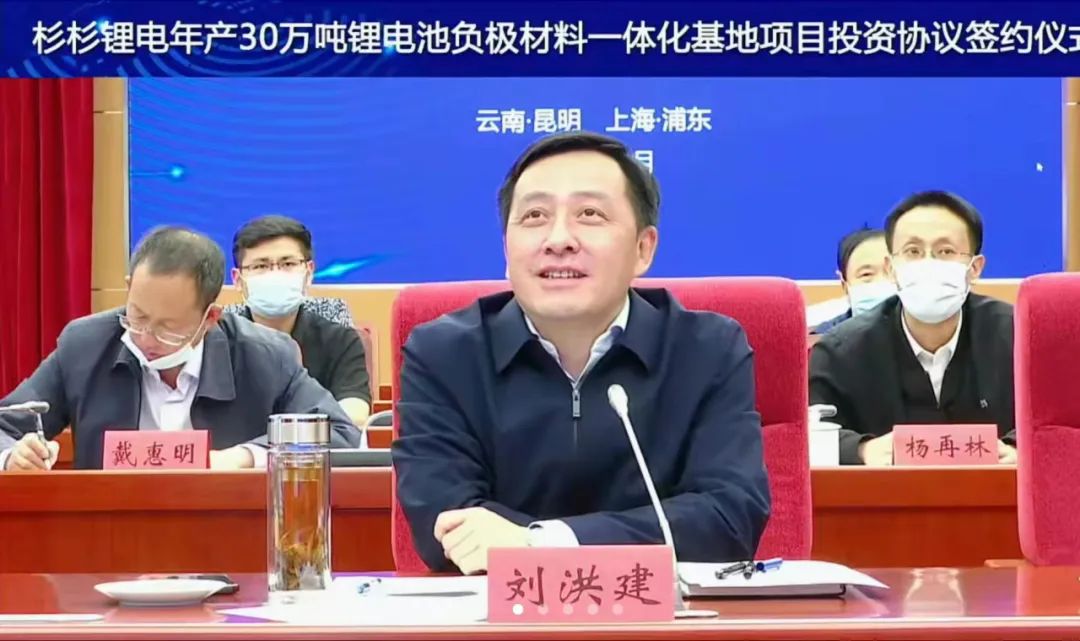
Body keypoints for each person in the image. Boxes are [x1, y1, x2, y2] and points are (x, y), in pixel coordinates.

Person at [392, 132, 770, 574]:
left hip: (668, 613)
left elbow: (730, 518)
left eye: (590, 214)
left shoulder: (706, 349)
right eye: (534, 216)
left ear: (643, 249)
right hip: (494, 613)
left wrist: (543, 542)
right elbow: (446, 526)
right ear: (506, 248)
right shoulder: (443, 354)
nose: (558, 240)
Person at [0, 227, 359, 470]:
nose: (146, 339)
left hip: (226, 537)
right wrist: (13, 455)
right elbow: (6, 425)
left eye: (168, 328)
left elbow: (342, 435)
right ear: (129, 287)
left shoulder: (264, 355)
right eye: (138, 316)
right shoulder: (85, 345)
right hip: (108, 539)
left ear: (210, 318)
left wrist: (244, 457)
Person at [809, 191, 1016, 466]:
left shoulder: (1019, 336)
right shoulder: (840, 351)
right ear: (891, 268)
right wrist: (860, 450)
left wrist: (1020, 448)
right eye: (913, 252)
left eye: (945, 252)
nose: (928, 264)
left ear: (975, 268)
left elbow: (1057, 419)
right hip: (883, 493)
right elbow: (809, 435)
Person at [225, 215, 371, 425]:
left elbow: (353, 415)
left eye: (288, 264)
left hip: (318, 447)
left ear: (308, 273)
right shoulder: (217, 343)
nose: (275, 274)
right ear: (238, 280)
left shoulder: (339, 340)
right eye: (260, 266)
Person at [811, 228, 895, 335]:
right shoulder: (824, 340)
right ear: (844, 285)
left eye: (892, 271)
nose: (882, 282)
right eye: (866, 274)